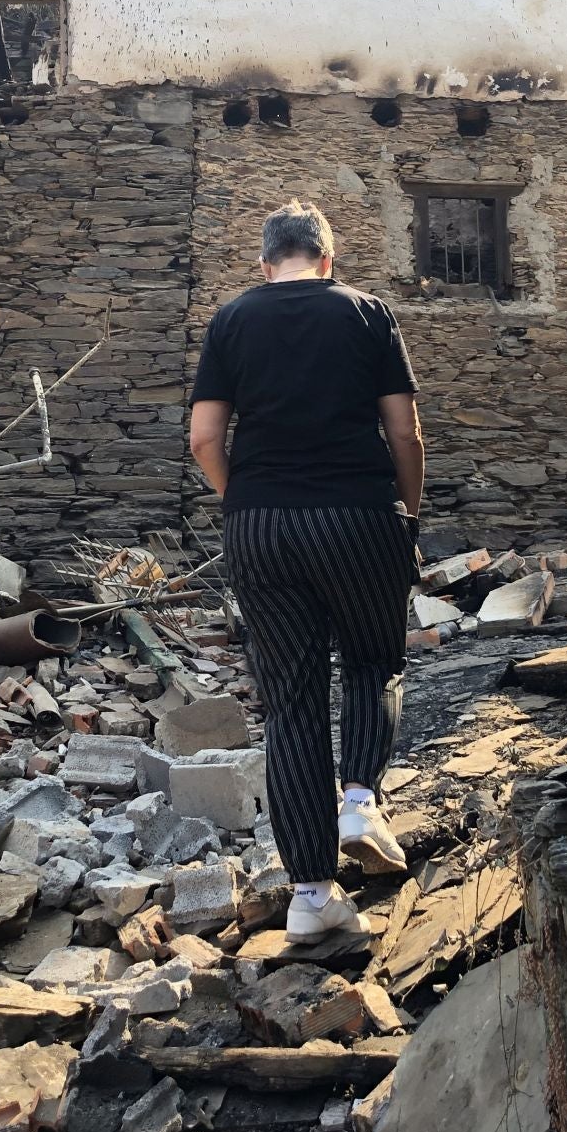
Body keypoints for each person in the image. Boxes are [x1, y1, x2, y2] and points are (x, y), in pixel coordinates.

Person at [188, 200, 425, 943]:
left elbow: (202, 438)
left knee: (289, 702)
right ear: (329, 259)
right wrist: (406, 512)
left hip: (258, 525)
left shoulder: (230, 319)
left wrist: (248, 502)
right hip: (357, 513)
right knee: (370, 662)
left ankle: (312, 898)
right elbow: (404, 429)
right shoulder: (366, 313)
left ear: (266, 264)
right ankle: (359, 799)